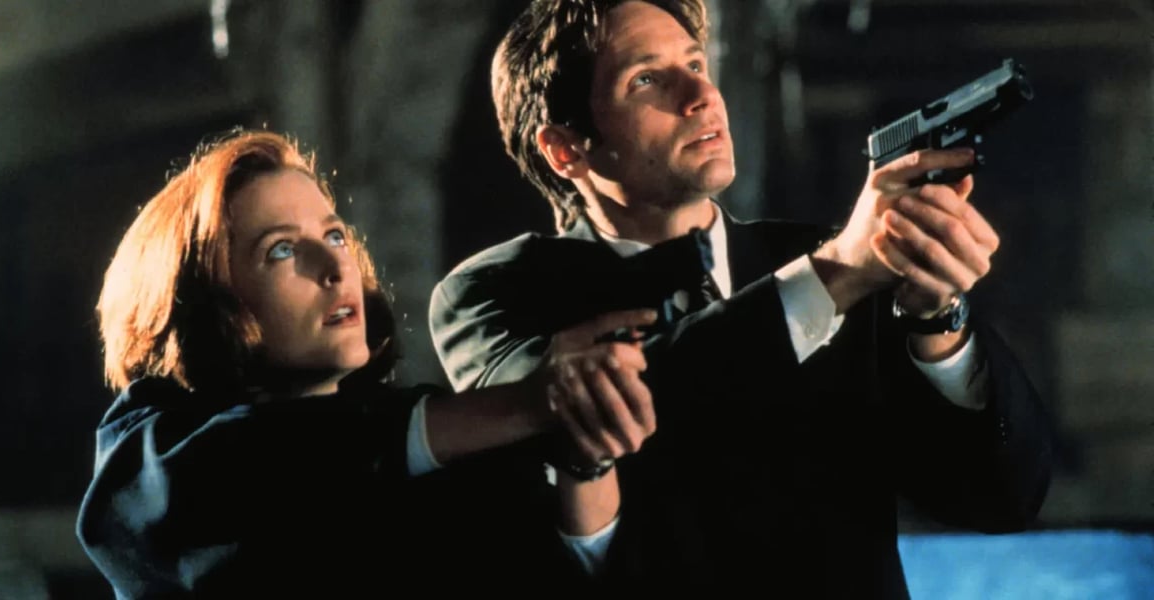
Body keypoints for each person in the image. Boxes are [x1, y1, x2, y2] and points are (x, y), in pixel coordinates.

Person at [428, 0, 1053, 594]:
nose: (701, 96)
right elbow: (595, 408)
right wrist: (835, 273)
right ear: (566, 150)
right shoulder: (494, 294)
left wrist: (938, 319)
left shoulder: (834, 260)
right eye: (646, 80)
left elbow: (1002, 498)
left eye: (696, 64)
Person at [75, 129, 660, 596]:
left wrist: (586, 449)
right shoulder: (148, 461)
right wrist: (534, 401)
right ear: (199, 301)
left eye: (334, 236)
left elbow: (571, 573)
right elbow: (272, 465)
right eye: (281, 250)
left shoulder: (421, 450)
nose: (336, 267)